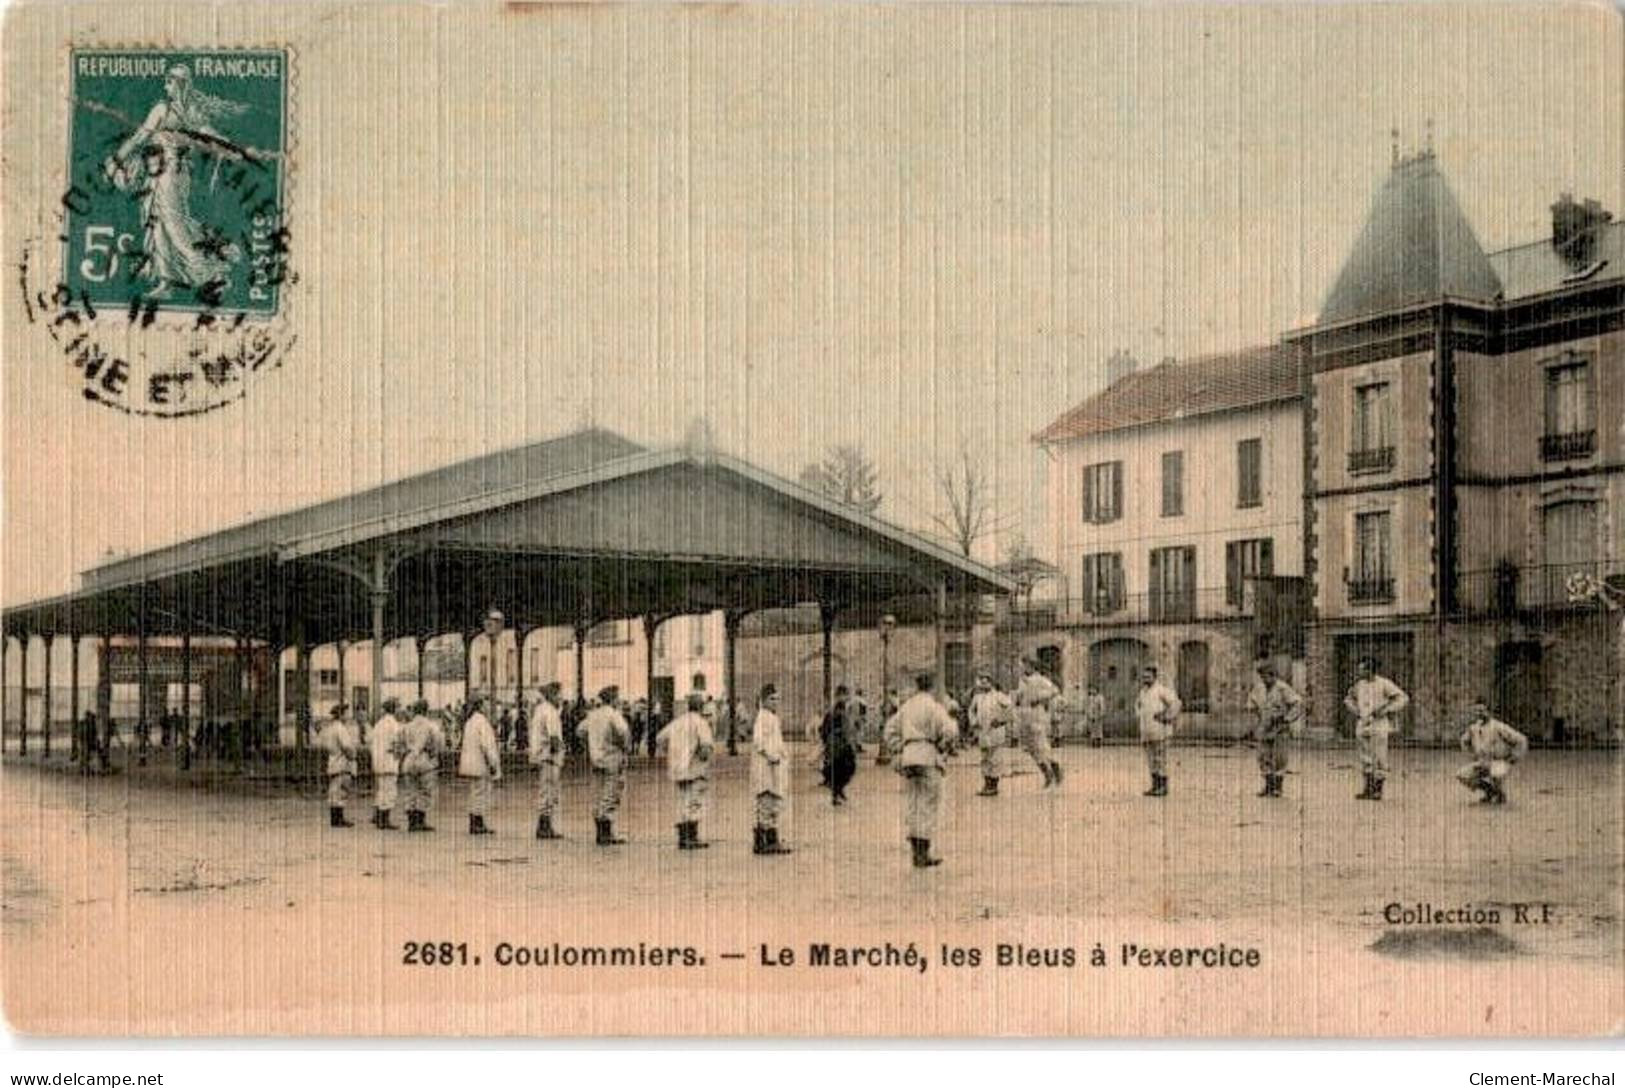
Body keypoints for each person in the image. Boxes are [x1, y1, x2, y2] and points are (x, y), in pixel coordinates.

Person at [883, 672, 960, 869]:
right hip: (927, 754)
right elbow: (950, 730)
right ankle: (923, 854)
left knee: (913, 802)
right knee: (929, 803)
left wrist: (899, 747)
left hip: (909, 756)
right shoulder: (934, 707)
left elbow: (889, 730)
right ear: (933, 687)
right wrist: (943, 747)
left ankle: (914, 851)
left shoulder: (906, 707)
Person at [1344, 658, 1410, 801]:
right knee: (1365, 756)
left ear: (1370, 670)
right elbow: (1348, 699)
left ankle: (1378, 790)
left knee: (1379, 756)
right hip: (1363, 723)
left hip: (1378, 724)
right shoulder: (1359, 685)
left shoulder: (1384, 683)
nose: (1359, 672)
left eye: (1362, 669)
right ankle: (1367, 789)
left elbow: (1402, 698)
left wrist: (1386, 709)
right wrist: (1356, 710)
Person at [657, 693, 715, 850]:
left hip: (678, 768)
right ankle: (691, 835)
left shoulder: (678, 722)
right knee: (695, 801)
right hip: (695, 768)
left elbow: (660, 738)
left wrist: (670, 752)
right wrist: (703, 758)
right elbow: (706, 744)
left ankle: (683, 835)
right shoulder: (700, 723)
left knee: (683, 800)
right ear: (701, 707)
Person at [582, 685, 632, 846]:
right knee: (612, 793)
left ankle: (600, 831)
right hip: (612, 757)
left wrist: (590, 745)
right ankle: (606, 832)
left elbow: (580, 731)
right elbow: (623, 732)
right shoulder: (613, 714)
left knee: (598, 793)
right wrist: (623, 747)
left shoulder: (593, 715)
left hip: (596, 758)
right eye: (617, 697)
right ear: (613, 699)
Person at [1246, 661, 1304, 798]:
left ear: (1273, 676)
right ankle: (1268, 786)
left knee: (1279, 757)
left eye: (1266, 676)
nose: (1264, 680)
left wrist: (1287, 718)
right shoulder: (1258, 688)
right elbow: (1251, 703)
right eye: (1262, 677)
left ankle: (1278, 787)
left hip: (1279, 728)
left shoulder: (1283, 688)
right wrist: (1254, 714)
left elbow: (1298, 704)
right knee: (1263, 757)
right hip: (1264, 727)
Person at [1456, 701, 1529, 805]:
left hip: (1499, 761)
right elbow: (1464, 741)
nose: (1479, 713)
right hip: (1483, 762)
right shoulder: (1474, 728)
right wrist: (1471, 754)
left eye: (1482, 711)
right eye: (1476, 711)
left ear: (1489, 712)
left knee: (1496, 774)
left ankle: (1499, 795)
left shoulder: (1499, 727)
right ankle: (1490, 792)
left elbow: (1521, 739)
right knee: (1462, 775)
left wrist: (1514, 756)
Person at [750, 684, 793, 855]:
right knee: (766, 803)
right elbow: (759, 741)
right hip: (766, 767)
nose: (775, 702)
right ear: (763, 700)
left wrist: (783, 755)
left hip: (774, 768)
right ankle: (763, 841)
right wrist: (773, 756)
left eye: (777, 699)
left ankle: (771, 839)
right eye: (771, 699)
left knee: (774, 803)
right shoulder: (763, 717)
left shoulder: (771, 717)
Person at [1015, 658, 1064, 789]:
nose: (1021, 668)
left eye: (1023, 666)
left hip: (1037, 715)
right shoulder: (1022, 681)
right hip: (1024, 715)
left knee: (1040, 746)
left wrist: (1040, 698)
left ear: (1030, 666)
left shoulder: (1040, 679)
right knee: (1031, 749)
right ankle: (1047, 774)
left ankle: (1055, 768)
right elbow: (1019, 697)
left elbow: (1055, 690)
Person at [399, 700, 445, 833]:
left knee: (410, 791)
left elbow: (399, 743)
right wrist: (433, 755)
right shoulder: (431, 725)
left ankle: (411, 822)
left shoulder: (406, 726)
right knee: (426, 791)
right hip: (425, 760)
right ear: (426, 710)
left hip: (409, 759)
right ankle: (420, 820)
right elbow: (437, 743)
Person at [1135, 665, 1181, 797]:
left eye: (1148, 677)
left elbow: (1176, 703)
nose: (1145, 679)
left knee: (1160, 759)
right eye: (1144, 677)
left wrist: (1167, 717)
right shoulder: (1143, 692)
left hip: (1161, 732)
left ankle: (1163, 787)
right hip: (1147, 732)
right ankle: (1154, 786)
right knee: (1151, 760)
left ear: (1154, 677)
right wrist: (1140, 714)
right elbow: (1138, 706)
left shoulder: (1162, 691)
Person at [458, 696, 501, 835]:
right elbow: (487, 745)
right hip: (481, 763)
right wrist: (493, 763)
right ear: (481, 705)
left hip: (470, 763)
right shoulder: (482, 722)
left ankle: (475, 822)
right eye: (486, 704)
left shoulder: (469, 722)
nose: (488, 707)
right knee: (481, 794)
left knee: (475, 793)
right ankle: (477, 823)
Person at [528, 683, 565, 840]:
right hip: (549, 757)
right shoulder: (550, 711)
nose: (561, 698)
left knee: (545, 791)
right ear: (552, 695)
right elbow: (554, 737)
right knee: (549, 793)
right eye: (559, 695)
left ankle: (544, 825)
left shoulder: (539, 709)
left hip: (541, 756)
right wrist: (557, 755)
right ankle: (544, 827)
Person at [969, 672, 1014, 798]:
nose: (984, 683)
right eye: (981, 681)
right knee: (984, 758)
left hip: (995, 731)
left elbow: (1010, 708)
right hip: (982, 731)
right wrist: (974, 722)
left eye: (986, 681)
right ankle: (986, 784)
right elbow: (971, 710)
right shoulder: (977, 697)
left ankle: (994, 786)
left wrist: (1000, 719)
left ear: (991, 682)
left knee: (995, 759)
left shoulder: (999, 696)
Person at [314, 703, 358, 828]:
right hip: (342, 762)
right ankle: (339, 818)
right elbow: (347, 747)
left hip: (332, 761)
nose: (348, 716)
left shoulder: (330, 728)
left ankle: (335, 818)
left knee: (334, 791)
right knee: (341, 791)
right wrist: (352, 757)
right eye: (346, 713)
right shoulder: (341, 728)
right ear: (341, 714)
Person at [370, 698, 406, 830]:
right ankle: (384, 819)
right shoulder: (394, 724)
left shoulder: (378, 724)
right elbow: (397, 743)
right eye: (398, 708)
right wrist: (400, 755)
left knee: (381, 790)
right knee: (390, 791)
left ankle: (378, 816)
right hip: (389, 761)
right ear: (394, 709)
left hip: (378, 761)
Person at [820, 686, 859, 805]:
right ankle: (836, 793)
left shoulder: (843, 710)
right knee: (842, 769)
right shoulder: (836, 711)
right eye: (845, 694)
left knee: (844, 769)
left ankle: (838, 791)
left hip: (840, 745)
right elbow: (825, 729)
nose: (847, 697)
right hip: (838, 746)